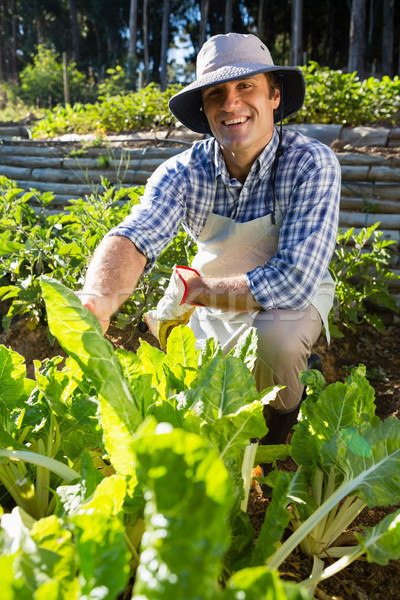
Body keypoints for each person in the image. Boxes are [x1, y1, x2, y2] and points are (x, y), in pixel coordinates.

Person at [80, 33, 341, 471]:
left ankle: (271, 443)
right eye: (216, 93)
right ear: (204, 109)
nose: (230, 103)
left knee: (274, 345)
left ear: (274, 96)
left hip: (285, 298)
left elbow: (293, 281)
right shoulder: (183, 171)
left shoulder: (310, 163)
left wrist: (197, 292)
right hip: (211, 288)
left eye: (246, 88)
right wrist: (97, 297)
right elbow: (137, 233)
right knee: (178, 357)